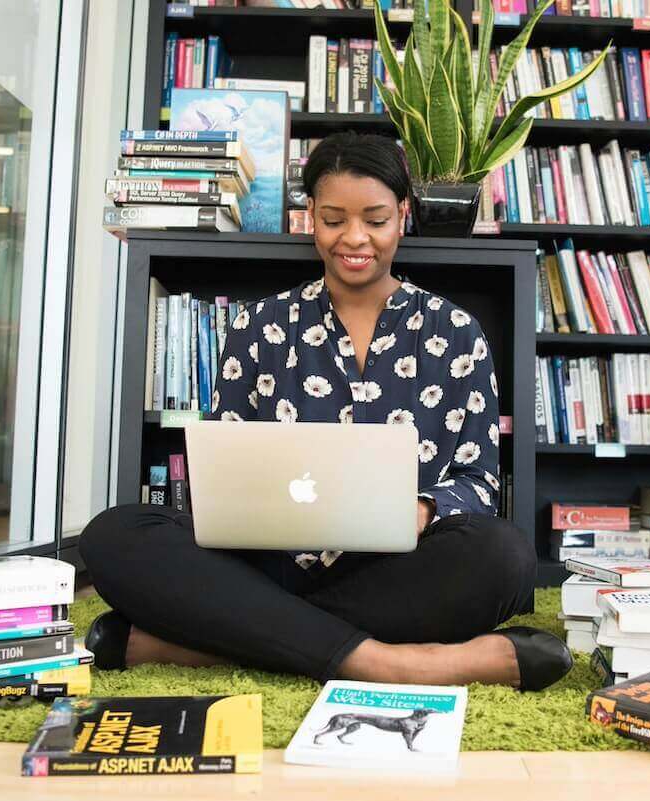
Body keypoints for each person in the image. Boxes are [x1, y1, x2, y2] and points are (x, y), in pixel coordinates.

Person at [81, 131, 572, 691]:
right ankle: (394, 663)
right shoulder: (257, 325)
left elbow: (479, 481)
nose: (355, 237)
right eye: (334, 219)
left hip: (394, 571)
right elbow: (224, 466)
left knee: (504, 556)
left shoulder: (457, 332)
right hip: (264, 564)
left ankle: (217, 641)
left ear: (403, 215)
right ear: (310, 215)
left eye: (375, 219)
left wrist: (421, 509)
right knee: (113, 536)